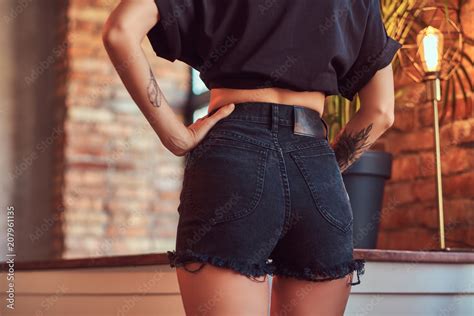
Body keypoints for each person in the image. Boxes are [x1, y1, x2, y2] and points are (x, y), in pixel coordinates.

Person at [102, 0, 402, 315]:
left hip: (232, 159)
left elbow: (120, 31)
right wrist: (322, 170)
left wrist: (175, 136)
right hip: (315, 163)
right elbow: (380, 111)